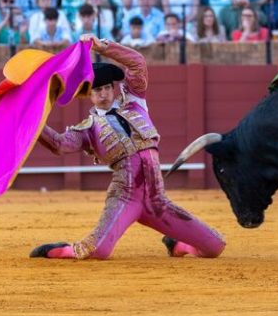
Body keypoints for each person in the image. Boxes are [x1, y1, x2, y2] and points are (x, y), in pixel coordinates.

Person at [31, 40, 226, 260]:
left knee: (215, 246)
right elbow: (58, 144)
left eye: (107, 88)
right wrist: (30, 119)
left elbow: (137, 63)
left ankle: (179, 245)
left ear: (113, 88)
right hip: (125, 197)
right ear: (89, 95)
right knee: (97, 251)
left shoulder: (135, 102)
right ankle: (59, 250)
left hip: (157, 200)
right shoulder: (88, 128)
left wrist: (101, 46)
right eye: (97, 90)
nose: (103, 94)